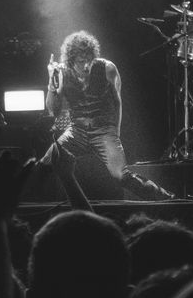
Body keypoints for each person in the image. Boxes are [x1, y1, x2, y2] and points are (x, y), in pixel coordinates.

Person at [43, 30, 171, 200]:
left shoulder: (107, 68)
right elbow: (53, 110)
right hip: (76, 131)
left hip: (103, 130)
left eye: (89, 60)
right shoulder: (61, 72)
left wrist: (114, 132)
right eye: (81, 61)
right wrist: (51, 83)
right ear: (71, 59)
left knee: (121, 175)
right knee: (45, 163)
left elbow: (118, 103)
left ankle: (167, 199)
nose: (86, 65)